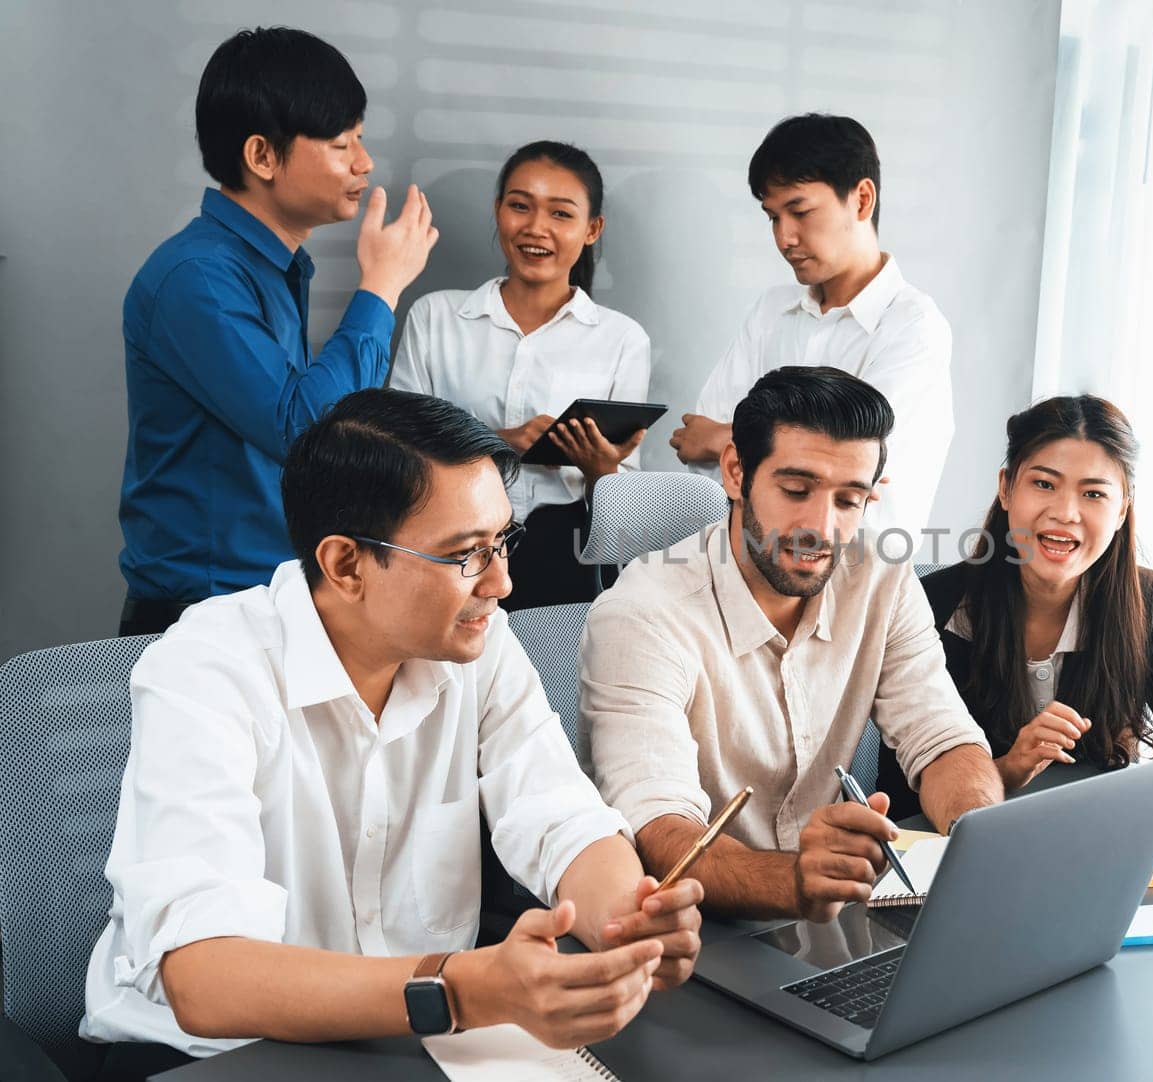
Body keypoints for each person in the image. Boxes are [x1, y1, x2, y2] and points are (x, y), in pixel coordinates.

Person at [82, 389, 702, 1076]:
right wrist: (461, 987)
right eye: (466, 554)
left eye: (504, 540)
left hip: (415, 1040)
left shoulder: (479, 642)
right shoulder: (207, 668)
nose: (501, 582)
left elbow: (561, 815)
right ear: (346, 564)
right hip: (217, 1053)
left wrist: (626, 916)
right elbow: (204, 977)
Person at [583, 366, 1002, 922]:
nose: (821, 525)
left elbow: (943, 739)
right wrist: (795, 883)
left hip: (830, 918)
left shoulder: (882, 580)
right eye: (796, 490)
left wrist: (982, 848)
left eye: (849, 500)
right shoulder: (641, 615)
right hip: (697, 931)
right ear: (735, 471)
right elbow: (660, 830)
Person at [117, 27, 438, 636]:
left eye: (360, 139)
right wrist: (382, 286)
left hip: (269, 600)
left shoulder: (273, 265)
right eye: (341, 143)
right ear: (262, 156)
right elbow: (308, 432)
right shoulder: (199, 278)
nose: (363, 163)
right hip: (203, 618)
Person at [875, 395, 1153, 834]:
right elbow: (899, 798)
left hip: (1092, 853)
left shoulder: (1140, 602)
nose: (1065, 513)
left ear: (1122, 509)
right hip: (952, 862)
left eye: (1094, 493)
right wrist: (1007, 768)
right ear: (1006, 488)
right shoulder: (932, 605)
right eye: (1043, 484)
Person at [670, 114, 953, 543]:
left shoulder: (913, 326)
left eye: (799, 211)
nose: (784, 237)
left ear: (861, 199)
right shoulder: (772, 310)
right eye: (772, 217)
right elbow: (700, 451)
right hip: (748, 560)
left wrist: (727, 438)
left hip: (857, 575)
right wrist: (724, 441)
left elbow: (859, 468)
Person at [391, 141, 649, 608]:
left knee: (551, 676)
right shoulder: (435, 317)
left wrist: (601, 469)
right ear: (498, 210)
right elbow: (393, 448)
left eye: (561, 214)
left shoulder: (622, 339)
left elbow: (623, 506)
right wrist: (498, 442)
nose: (535, 228)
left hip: (564, 554)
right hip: (445, 545)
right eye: (519, 206)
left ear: (593, 229)